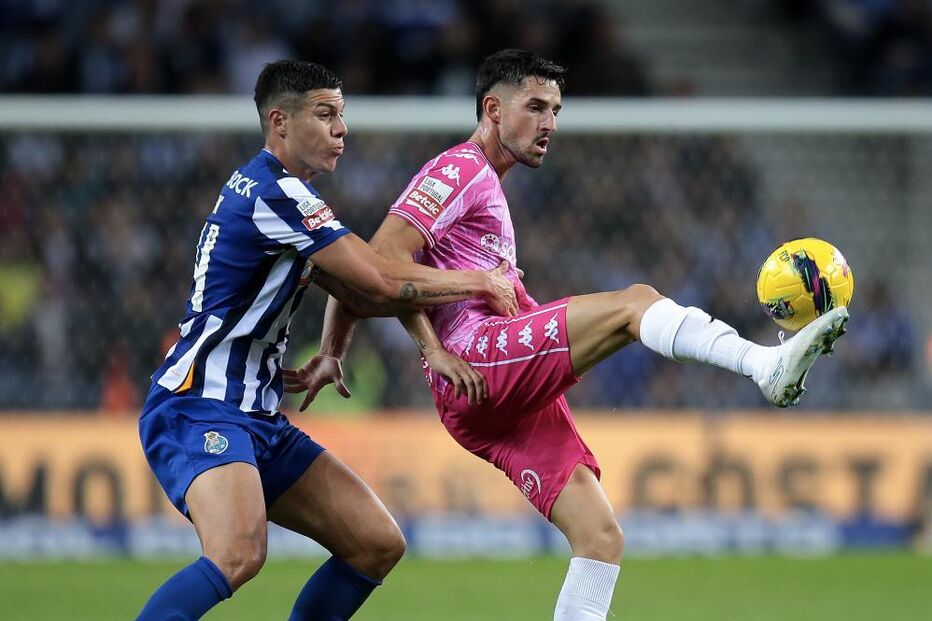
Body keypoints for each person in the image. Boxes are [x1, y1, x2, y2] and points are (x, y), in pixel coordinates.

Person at [295, 50, 849, 621]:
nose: (549, 123)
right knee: (635, 305)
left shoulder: (486, 182)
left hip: (486, 394)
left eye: (556, 109)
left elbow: (363, 270)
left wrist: (336, 350)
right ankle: (764, 366)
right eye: (535, 107)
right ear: (492, 108)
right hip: (475, 357)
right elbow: (379, 260)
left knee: (601, 537)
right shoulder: (457, 169)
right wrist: (456, 314)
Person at [135, 59, 519, 621]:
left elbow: (361, 286)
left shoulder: (286, 196)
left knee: (375, 543)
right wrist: (479, 280)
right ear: (279, 122)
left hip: (257, 415)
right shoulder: (274, 193)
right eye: (325, 114)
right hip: (201, 406)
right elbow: (382, 277)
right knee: (238, 553)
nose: (342, 129)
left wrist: (334, 352)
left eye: (343, 115)